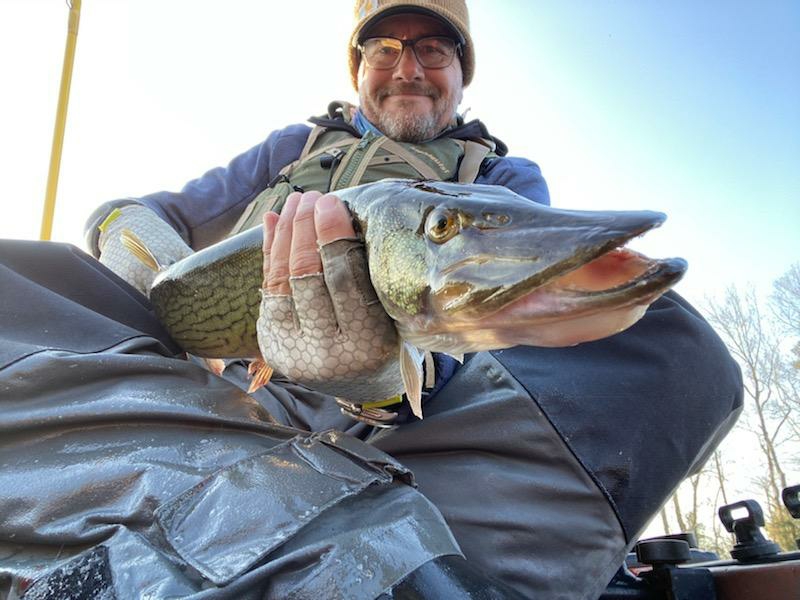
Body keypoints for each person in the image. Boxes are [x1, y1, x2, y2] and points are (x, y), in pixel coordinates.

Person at [0, 1, 743, 598]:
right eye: (384, 48)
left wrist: (377, 379)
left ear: (460, 72)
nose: (407, 69)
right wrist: (129, 231)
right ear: (359, 68)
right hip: (204, 394)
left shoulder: (506, 179)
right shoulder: (294, 148)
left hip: (401, 432)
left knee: (675, 349)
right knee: (21, 275)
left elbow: (481, 339)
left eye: (432, 50)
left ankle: (350, 538)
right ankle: (374, 552)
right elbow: (154, 212)